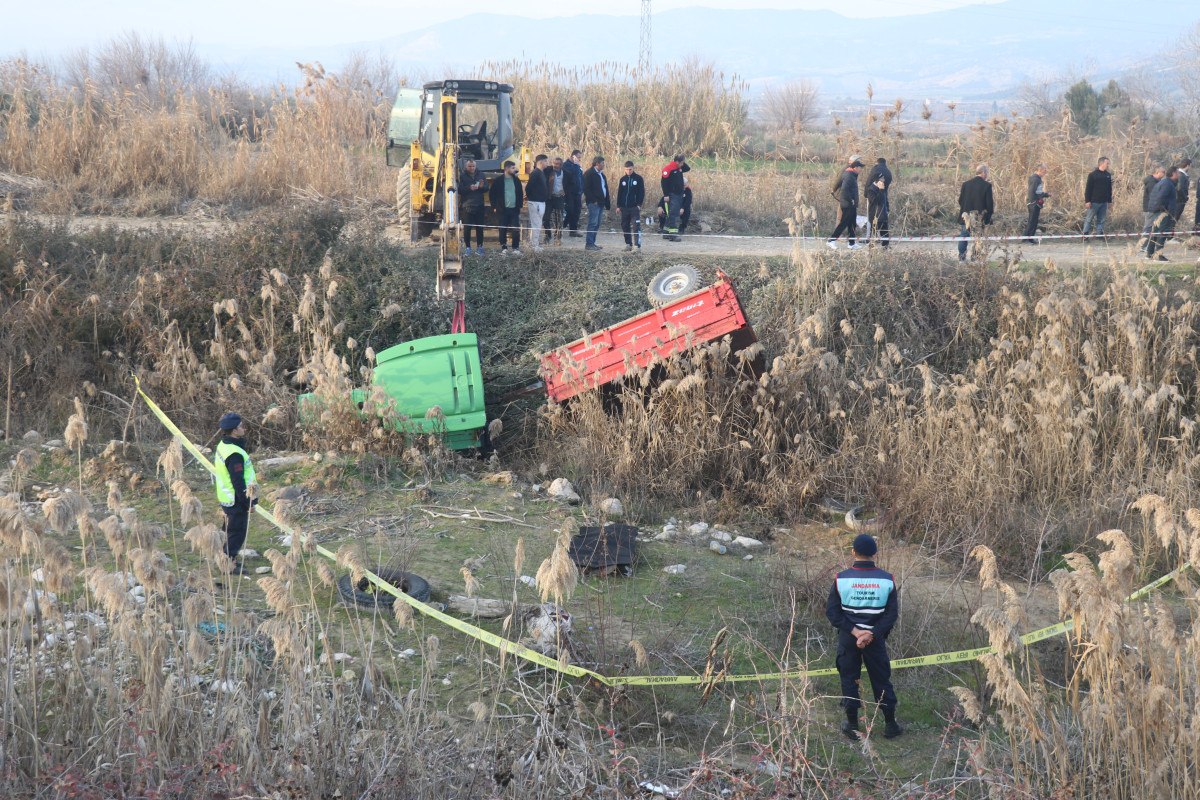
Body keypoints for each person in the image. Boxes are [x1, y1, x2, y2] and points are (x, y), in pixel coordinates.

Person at [826, 533, 902, 740]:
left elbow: (833, 613)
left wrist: (856, 632)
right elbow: (891, 614)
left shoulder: (841, 579)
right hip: (875, 639)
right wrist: (871, 634)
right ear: (874, 553)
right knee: (881, 679)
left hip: (849, 638)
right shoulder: (887, 580)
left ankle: (851, 725)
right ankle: (890, 725)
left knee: (849, 678)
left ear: (853, 552)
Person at [214, 412, 258, 574]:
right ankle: (228, 565)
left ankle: (222, 556)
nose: (243, 428)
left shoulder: (224, 445)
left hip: (227, 498)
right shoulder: (234, 454)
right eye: (240, 426)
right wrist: (248, 503)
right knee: (236, 533)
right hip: (236, 500)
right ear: (233, 431)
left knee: (228, 530)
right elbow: (238, 481)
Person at [957, 164, 994, 262]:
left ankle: (961, 258)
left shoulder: (966, 184)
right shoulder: (987, 186)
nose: (987, 175)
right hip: (979, 218)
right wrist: (987, 218)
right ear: (983, 173)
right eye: (987, 173)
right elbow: (989, 205)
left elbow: (960, 200)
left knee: (964, 236)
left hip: (967, 217)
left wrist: (966, 211)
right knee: (978, 239)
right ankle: (975, 258)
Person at [826, 158, 864, 250]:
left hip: (850, 204)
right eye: (860, 167)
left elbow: (838, 183)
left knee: (852, 224)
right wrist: (851, 200)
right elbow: (844, 190)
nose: (861, 169)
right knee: (844, 223)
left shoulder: (851, 174)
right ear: (855, 167)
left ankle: (852, 243)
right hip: (848, 204)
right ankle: (831, 241)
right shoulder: (849, 176)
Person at [488, 160, 524, 255]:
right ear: (506, 168)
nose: (514, 169)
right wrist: (494, 206)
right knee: (502, 229)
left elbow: (520, 194)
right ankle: (504, 247)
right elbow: (492, 194)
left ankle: (515, 248)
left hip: (514, 209)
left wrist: (520, 205)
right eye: (512, 168)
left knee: (516, 229)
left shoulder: (516, 180)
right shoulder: (498, 181)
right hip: (502, 209)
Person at [1146, 166, 1179, 261]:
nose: (1179, 174)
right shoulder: (1168, 184)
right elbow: (1161, 198)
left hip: (1158, 211)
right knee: (1162, 233)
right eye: (1177, 173)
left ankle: (1150, 253)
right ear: (1173, 173)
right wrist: (1165, 210)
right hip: (1163, 213)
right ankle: (1158, 254)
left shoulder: (1164, 182)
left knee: (1155, 232)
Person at [458, 159, 487, 255]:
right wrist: (469, 188)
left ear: (476, 166)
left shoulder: (481, 175)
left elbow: (487, 188)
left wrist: (481, 187)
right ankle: (468, 247)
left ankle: (480, 247)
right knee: (467, 228)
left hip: (479, 205)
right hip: (467, 205)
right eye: (469, 166)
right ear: (466, 167)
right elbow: (459, 190)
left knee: (480, 228)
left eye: (473, 166)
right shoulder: (462, 176)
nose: (471, 168)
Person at [616, 160, 646, 252]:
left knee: (636, 226)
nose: (628, 171)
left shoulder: (638, 179)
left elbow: (641, 193)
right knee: (625, 226)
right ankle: (628, 244)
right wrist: (618, 206)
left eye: (630, 169)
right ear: (624, 169)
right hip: (624, 207)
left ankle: (637, 246)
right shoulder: (622, 180)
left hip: (634, 208)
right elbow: (620, 193)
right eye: (627, 169)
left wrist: (639, 205)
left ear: (633, 168)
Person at [582, 156, 610, 251]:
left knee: (597, 224)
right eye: (602, 163)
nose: (604, 165)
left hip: (601, 202)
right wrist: (593, 200)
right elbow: (586, 188)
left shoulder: (601, 174)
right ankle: (589, 244)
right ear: (597, 163)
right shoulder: (589, 173)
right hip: (594, 203)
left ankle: (592, 243)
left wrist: (607, 202)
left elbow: (605, 188)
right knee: (592, 223)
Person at [660, 154, 690, 241]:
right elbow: (664, 183)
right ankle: (673, 234)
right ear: (677, 162)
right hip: (672, 194)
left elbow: (688, 169)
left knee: (672, 213)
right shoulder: (668, 169)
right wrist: (666, 195)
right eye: (681, 163)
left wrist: (682, 163)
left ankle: (666, 232)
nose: (682, 165)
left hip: (679, 194)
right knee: (674, 214)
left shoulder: (679, 168)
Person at [1082, 156, 1113, 240]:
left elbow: (1109, 189)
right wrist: (1087, 201)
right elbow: (1088, 189)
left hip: (1104, 202)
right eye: (1107, 163)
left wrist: (1110, 201)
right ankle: (1085, 235)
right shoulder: (1092, 175)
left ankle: (1100, 235)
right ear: (1102, 163)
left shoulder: (1108, 175)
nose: (1108, 165)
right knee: (1089, 219)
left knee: (1101, 219)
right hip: (1094, 202)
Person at [865, 157, 892, 248]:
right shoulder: (871, 190)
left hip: (883, 213)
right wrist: (880, 190)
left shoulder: (882, 188)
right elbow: (876, 201)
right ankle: (871, 246)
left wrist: (887, 208)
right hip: (875, 214)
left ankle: (885, 246)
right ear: (877, 181)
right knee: (874, 230)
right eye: (882, 180)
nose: (883, 181)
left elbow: (885, 198)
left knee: (885, 230)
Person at [525, 154, 550, 252]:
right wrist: (533, 198)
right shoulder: (535, 173)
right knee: (536, 224)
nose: (547, 163)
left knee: (538, 224)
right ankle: (534, 245)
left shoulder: (541, 172)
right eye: (546, 161)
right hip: (535, 202)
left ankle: (535, 244)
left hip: (541, 202)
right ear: (541, 162)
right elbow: (528, 188)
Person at [1140, 165, 1166, 251]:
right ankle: (1143, 245)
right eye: (1163, 172)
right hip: (1150, 208)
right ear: (1157, 172)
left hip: (1154, 208)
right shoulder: (1152, 182)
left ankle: (1148, 245)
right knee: (1148, 227)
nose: (1165, 174)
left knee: (1152, 227)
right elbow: (1154, 196)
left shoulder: (1157, 181)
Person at [1023, 163, 1050, 244]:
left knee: (1034, 221)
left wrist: (1045, 195)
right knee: (1032, 221)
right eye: (1045, 170)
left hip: (1034, 203)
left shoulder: (1037, 179)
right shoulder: (1035, 179)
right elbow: (1031, 192)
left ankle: (1029, 238)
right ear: (1040, 170)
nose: (1046, 172)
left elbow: (1038, 192)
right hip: (1033, 203)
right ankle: (1026, 239)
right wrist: (1034, 202)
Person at [563, 150, 585, 238]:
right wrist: (576, 165)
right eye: (578, 157)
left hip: (578, 192)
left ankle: (573, 230)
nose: (579, 159)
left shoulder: (578, 166)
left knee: (577, 211)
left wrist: (582, 189)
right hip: (569, 193)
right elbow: (571, 175)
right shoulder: (566, 165)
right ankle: (564, 224)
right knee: (570, 210)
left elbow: (581, 178)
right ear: (573, 156)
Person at [545, 156, 567, 244]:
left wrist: (565, 192)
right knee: (546, 218)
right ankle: (547, 235)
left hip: (559, 198)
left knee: (559, 219)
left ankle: (558, 238)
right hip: (550, 198)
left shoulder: (565, 173)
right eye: (555, 163)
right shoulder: (548, 171)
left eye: (558, 164)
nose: (556, 165)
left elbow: (570, 185)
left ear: (561, 165)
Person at [1174, 158, 1191, 240]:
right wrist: (1185, 197)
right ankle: (1169, 236)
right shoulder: (1181, 175)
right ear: (1187, 165)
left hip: (1180, 200)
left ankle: (1170, 235)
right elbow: (1180, 188)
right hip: (1179, 200)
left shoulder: (1182, 174)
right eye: (1189, 166)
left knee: (1175, 217)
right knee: (1174, 218)